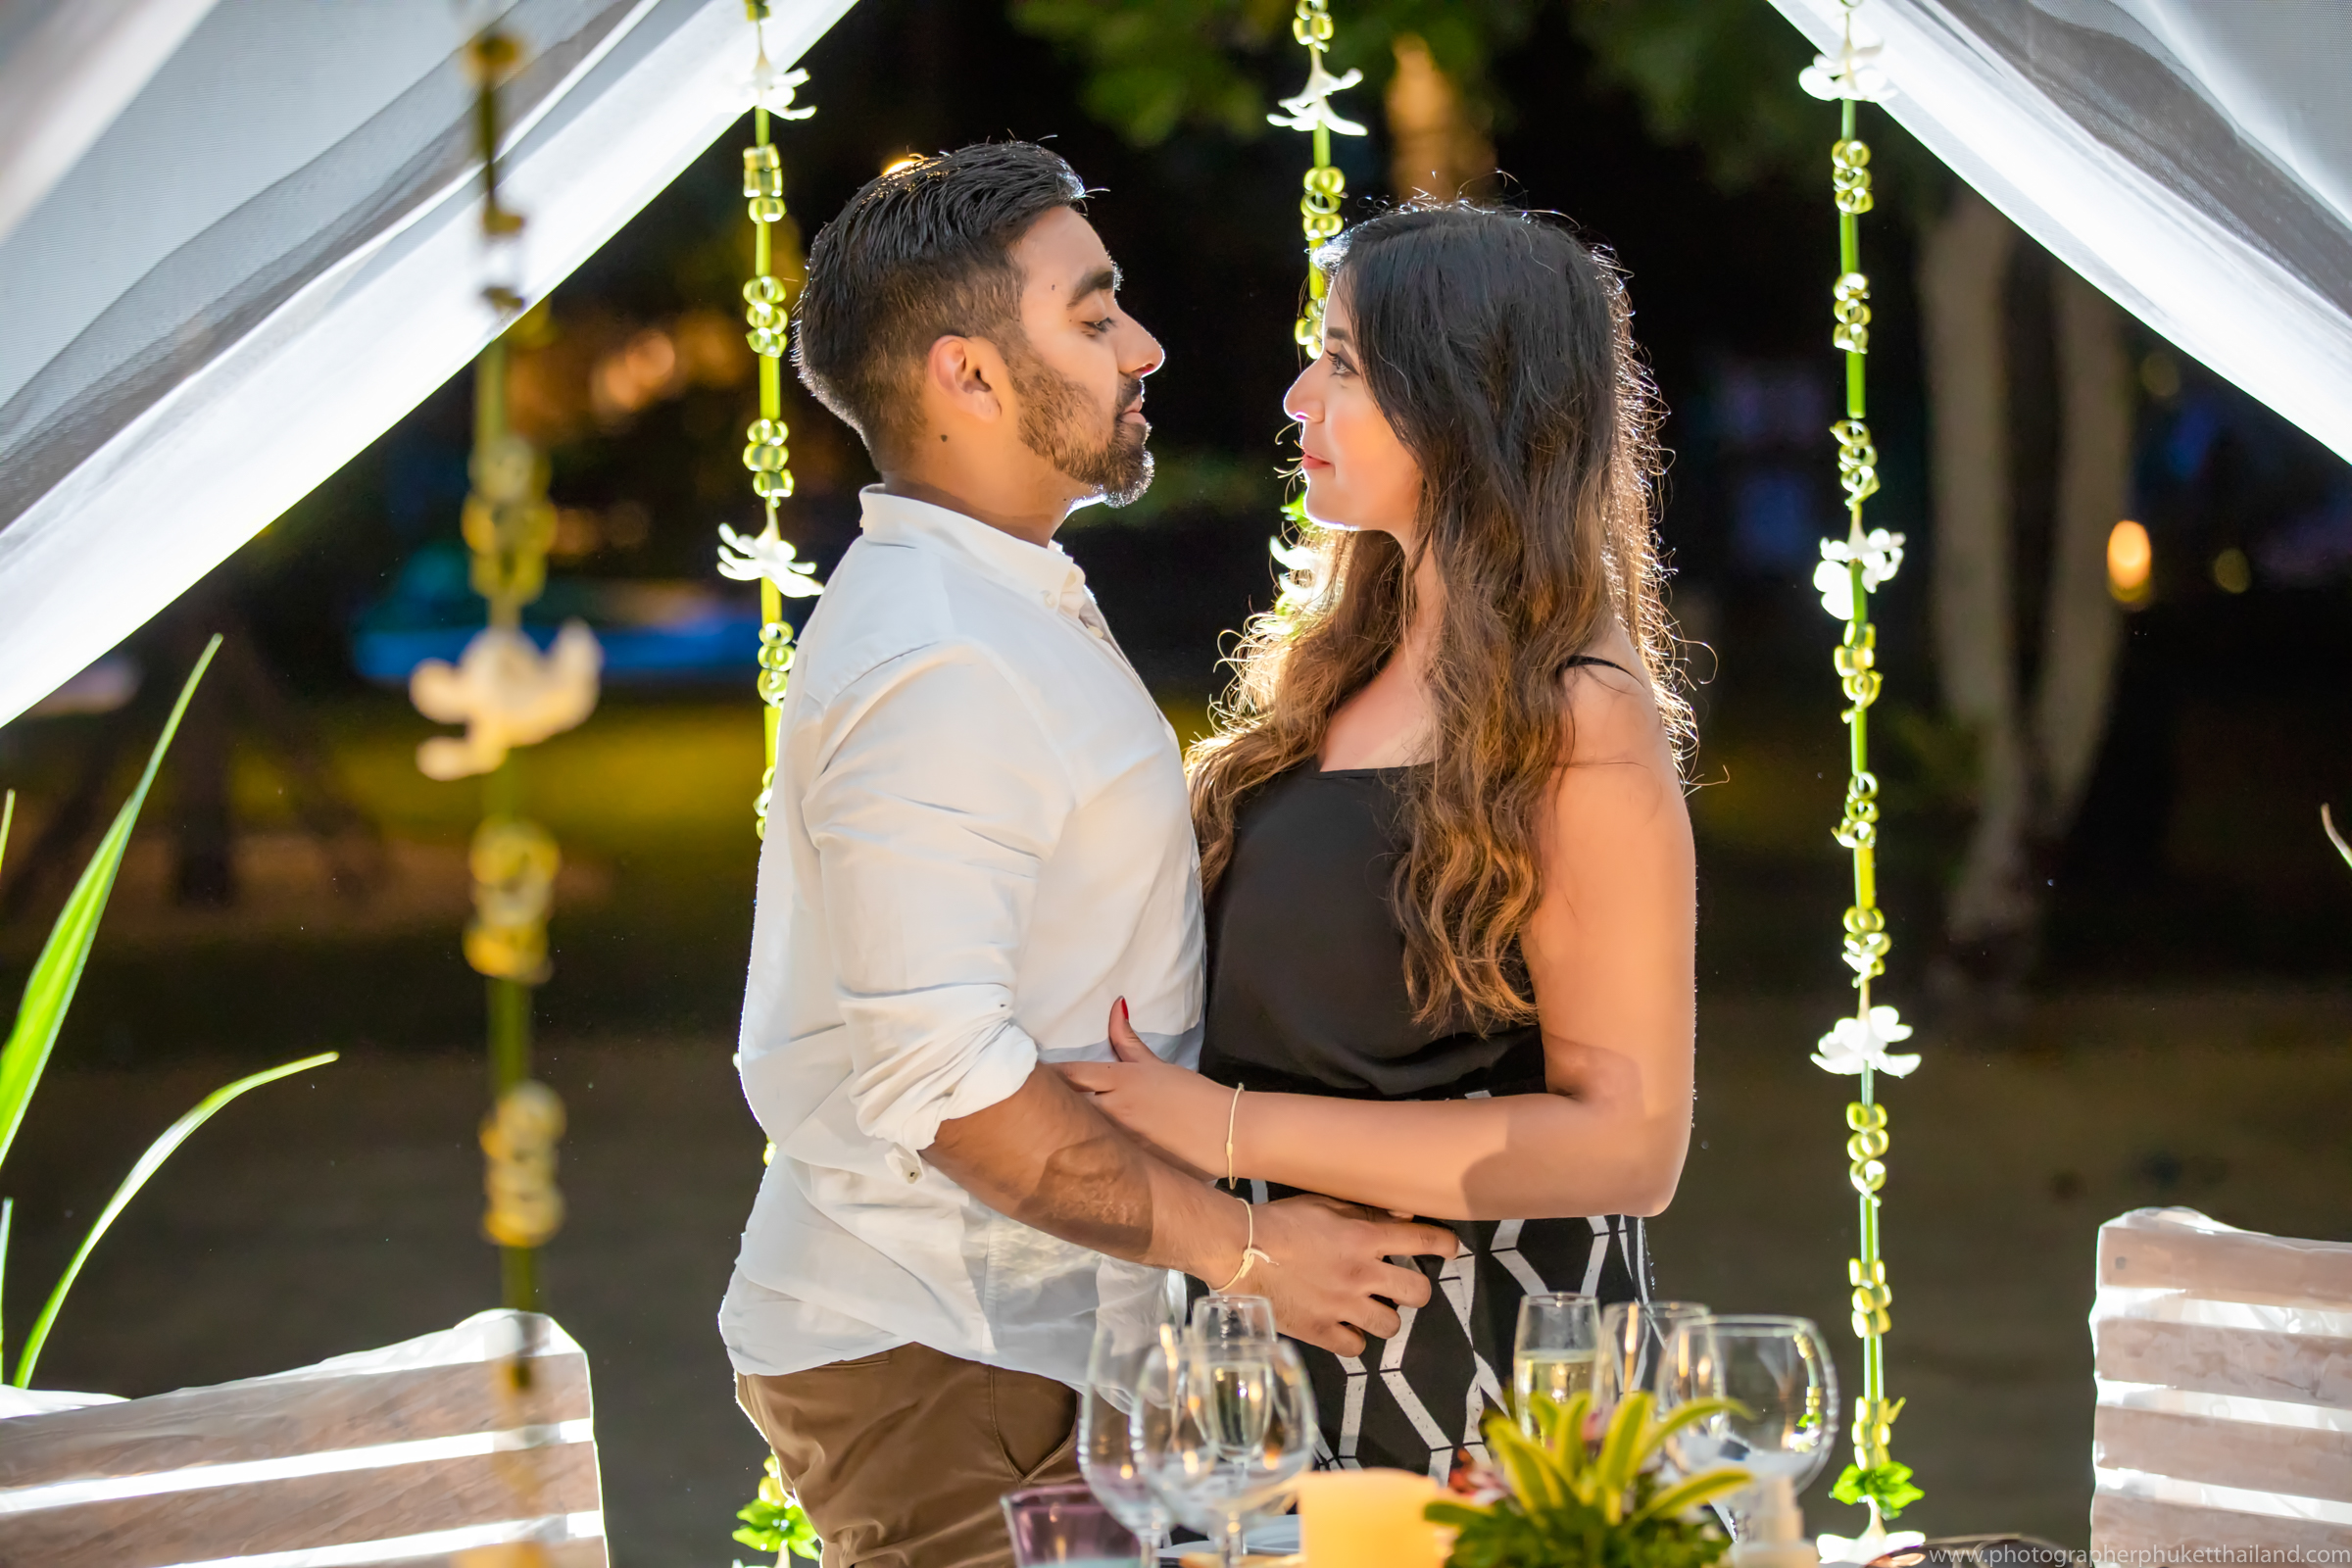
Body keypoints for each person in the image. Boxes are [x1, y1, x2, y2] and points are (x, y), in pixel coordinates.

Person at [718, 143, 1459, 1568]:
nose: (1145, 347)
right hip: (948, 1352)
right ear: (969, 376)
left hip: (1015, 1350)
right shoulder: (939, 658)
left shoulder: (998, 601)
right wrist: (1249, 1252)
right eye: (1094, 315)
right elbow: (944, 1081)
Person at [1061, 203, 1697, 1478]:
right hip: (1265, 1365)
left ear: (1468, 399)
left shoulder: (1579, 711)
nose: (1298, 397)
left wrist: (1221, 1128)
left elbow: (1630, 1143)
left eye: (1343, 362)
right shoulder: (1342, 665)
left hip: (1474, 1396)